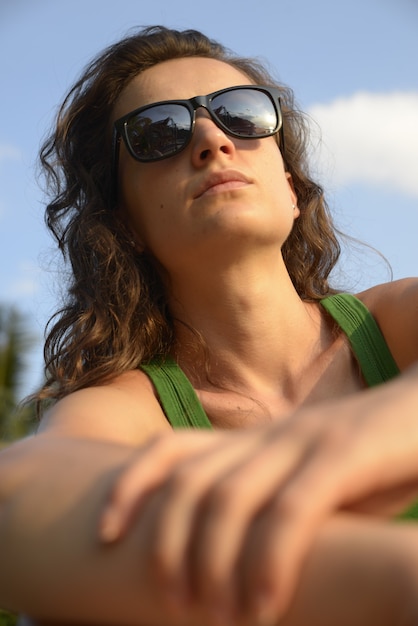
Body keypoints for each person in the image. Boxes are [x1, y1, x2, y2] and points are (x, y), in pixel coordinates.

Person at [1, 25, 418, 626]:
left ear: (291, 187)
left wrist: (380, 428)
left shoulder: (395, 324)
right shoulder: (132, 410)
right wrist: (388, 581)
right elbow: (17, 502)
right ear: (126, 226)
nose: (211, 139)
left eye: (243, 116)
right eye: (158, 133)